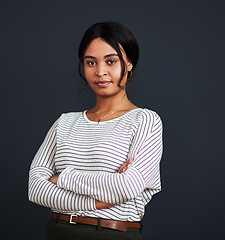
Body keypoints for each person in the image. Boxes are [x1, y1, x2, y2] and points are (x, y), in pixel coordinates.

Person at [28, 21, 163, 240]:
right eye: (91, 63)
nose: (100, 72)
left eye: (111, 61)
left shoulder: (145, 120)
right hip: (59, 232)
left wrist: (60, 178)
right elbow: (35, 188)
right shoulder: (64, 122)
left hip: (112, 234)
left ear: (128, 63)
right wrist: (100, 200)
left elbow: (128, 187)